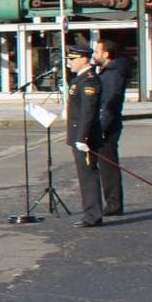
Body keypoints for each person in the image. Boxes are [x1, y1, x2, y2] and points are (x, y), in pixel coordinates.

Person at [64, 44, 105, 228]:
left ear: (83, 59)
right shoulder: (78, 79)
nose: (69, 63)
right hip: (78, 134)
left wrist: (82, 138)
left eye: (72, 59)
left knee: (88, 176)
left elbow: (88, 112)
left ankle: (93, 215)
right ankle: (90, 212)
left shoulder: (89, 81)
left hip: (85, 138)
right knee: (83, 175)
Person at [91, 38, 130, 217]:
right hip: (106, 123)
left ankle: (113, 204)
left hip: (108, 126)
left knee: (108, 166)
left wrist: (101, 128)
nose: (95, 55)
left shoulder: (113, 74)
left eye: (97, 52)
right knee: (106, 165)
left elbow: (109, 103)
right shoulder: (108, 72)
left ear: (106, 54)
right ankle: (112, 202)